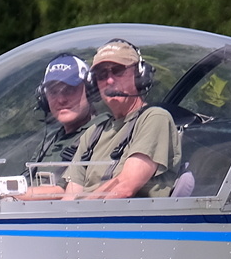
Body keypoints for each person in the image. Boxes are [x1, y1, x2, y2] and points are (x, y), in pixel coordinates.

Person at [60, 39, 181, 199]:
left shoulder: (154, 118)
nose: (109, 80)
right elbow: (70, 196)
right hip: (87, 220)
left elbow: (124, 188)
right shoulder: (92, 135)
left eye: (118, 71)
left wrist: (78, 211)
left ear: (139, 76)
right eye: (102, 75)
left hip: (128, 220)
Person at [13, 55, 97, 201]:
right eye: (53, 91)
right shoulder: (51, 139)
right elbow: (25, 182)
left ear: (89, 91)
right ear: (44, 99)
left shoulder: (102, 130)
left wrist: (2, 192)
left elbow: (62, 191)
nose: (61, 99)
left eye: (69, 90)